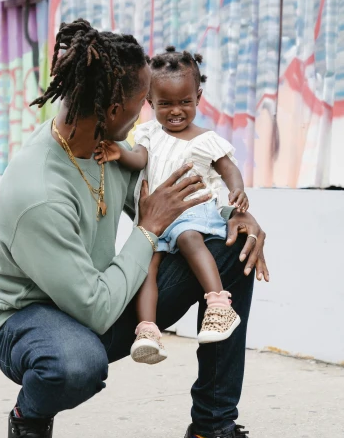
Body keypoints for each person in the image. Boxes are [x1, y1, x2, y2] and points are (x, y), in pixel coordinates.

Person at [0, 18, 299, 438]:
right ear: (113, 109)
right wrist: (149, 227)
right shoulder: (38, 192)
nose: (143, 120)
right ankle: (29, 417)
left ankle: (211, 432)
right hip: (31, 321)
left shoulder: (110, 149)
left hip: (96, 296)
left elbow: (172, 203)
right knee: (75, 363)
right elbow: (95, 306)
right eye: (139, 106)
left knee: (230, 249)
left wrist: (234, 214)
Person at [94, 46, 249, 366]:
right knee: (146, 269)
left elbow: (228, 168)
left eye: (185, 102)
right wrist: (118, 153)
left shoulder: (205, 140)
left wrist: (238, 192)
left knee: (189, 238)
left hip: (192, 213)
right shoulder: (149, 132)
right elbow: (139, 159)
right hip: (156, 219)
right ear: (150, 101)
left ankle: (218, 304)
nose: (175, 111)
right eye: (165, 103)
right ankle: (147, 330)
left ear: (198, 97)